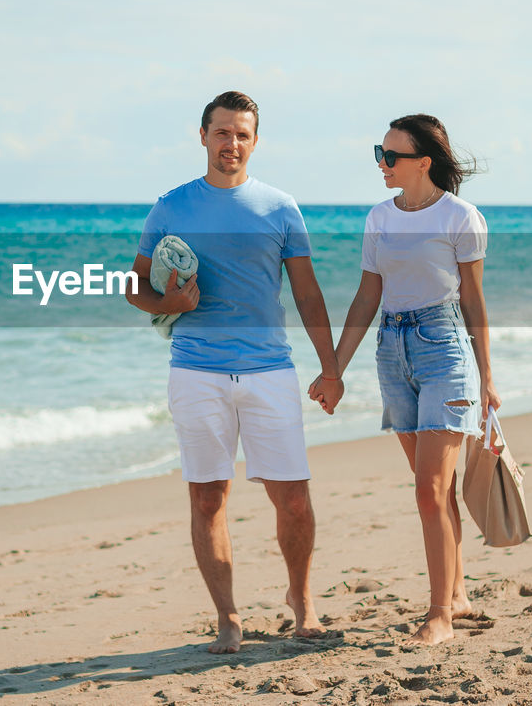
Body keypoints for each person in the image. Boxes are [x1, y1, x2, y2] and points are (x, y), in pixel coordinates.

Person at [125, 90, 342, 654]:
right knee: (207, 499)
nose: (232, 143)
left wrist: (331, 366)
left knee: (292, 497)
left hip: (270, 370)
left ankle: (302, 602)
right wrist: (168, 305)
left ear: (255, 140)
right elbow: (135, 288)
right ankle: (228, 617)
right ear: (203, 136)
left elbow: (307, 294)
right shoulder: (171, 206)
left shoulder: (280, 207)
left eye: (242, 134)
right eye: (222, 132)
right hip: (196, 372)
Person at [309, 113, 499, 646]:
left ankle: (439, 614)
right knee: (437, 491)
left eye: (391, 156)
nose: (382, 164)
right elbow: (367, 296)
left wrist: (487, 377)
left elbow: (473, 300)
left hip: (444, 350)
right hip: (392, 352)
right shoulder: (379, 218)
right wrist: (334, 371)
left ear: (423, 162)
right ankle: (457, 593)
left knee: (429, 490)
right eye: (379, 152)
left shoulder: (461, 217)